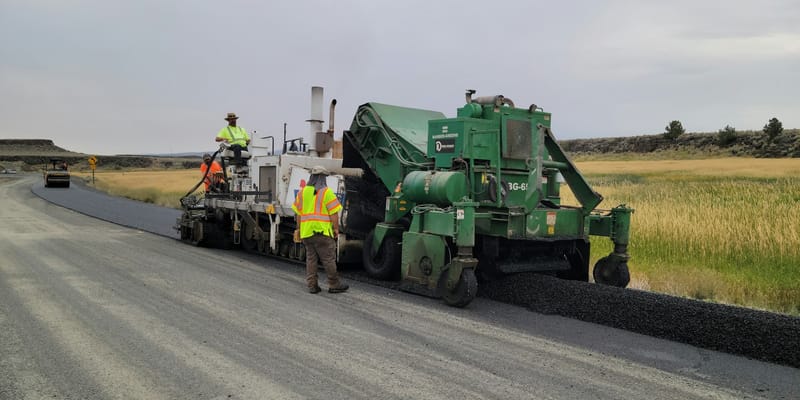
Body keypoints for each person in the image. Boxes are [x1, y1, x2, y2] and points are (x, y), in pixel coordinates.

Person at [292, 166, 349, 294]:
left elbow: (298, 215)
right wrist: (335, 228)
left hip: (307, 233)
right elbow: (334, 213)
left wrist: (299, 229)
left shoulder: (302, 193)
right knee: (328, 259)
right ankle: (334, 284)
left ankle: (312, 285)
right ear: (323, 178)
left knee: (311, 259)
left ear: (311, 177)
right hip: (322, 233)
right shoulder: (326, 192)